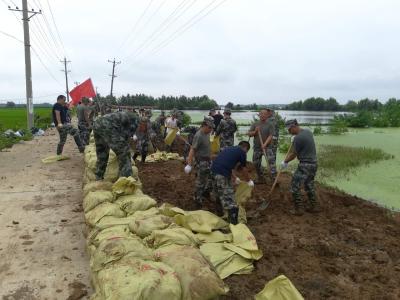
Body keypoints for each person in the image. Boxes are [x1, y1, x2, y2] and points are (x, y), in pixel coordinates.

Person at [281, 119, 320, 215]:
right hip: (314, 164)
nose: (289, 132)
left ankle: (299, 209)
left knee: (294, 186)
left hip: (305, 165)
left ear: (294, 126)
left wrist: (285, 162)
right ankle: (314, 206)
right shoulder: (308, 132)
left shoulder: (298, 139)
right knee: (309, 184)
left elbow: (293, 154)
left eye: (289, 129)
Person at [211, 141, 253, 224]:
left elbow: (227, 165)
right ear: (245, 148)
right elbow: (244, 169)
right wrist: (249, 181)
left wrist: (235, 177)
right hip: (222, 174)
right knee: (230, 200)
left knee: (218, 194)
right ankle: (233, 223)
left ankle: (220, 214)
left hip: (213, 172)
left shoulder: (229, 148)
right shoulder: (242, 152)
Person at [93, 111, 138, 180]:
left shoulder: (128, 117)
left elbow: (123, 135)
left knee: (102, 152)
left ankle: (98, 176)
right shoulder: (136, 121)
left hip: (97, 124)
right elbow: (126, 137)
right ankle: (125, 180)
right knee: (124, 152)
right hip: (107, 125)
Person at [184, 117, 214, 209]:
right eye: (209, 128)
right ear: (204, 125)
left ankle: (205, 193)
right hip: (201, 162)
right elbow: (192, 150)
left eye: (212, 128)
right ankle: (197, 199)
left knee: (211, 178)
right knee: (200, 182)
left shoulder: (206, 133)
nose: (211, 130)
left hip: (207, 160)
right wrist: (189, 164)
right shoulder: (199, 135)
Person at [247, 109, 276, 183]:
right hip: (257, 147)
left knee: (271, 164)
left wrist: (265, 144)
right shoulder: (255, 124)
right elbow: (249, 133)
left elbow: (270, 136)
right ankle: (261, 178)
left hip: (268, 147)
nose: (263, 115)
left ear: (267, 115)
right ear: (259, 115)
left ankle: (273, 179)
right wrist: (255, 131)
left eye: (265, 114)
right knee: (256, 164)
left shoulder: (270, 124)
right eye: (261, 114)